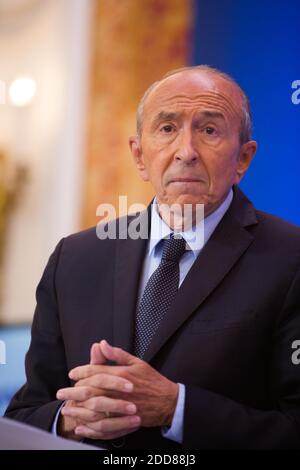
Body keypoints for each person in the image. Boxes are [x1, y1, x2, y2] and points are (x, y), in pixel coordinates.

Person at [5, 65, 300, 450]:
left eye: (209, 130)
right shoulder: (75, 258)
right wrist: (68, 421)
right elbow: (25, 413)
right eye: (166, 129)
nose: (186, 152)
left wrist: (176, 408)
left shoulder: (289, 258)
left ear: (243, 158)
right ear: (139, 155)